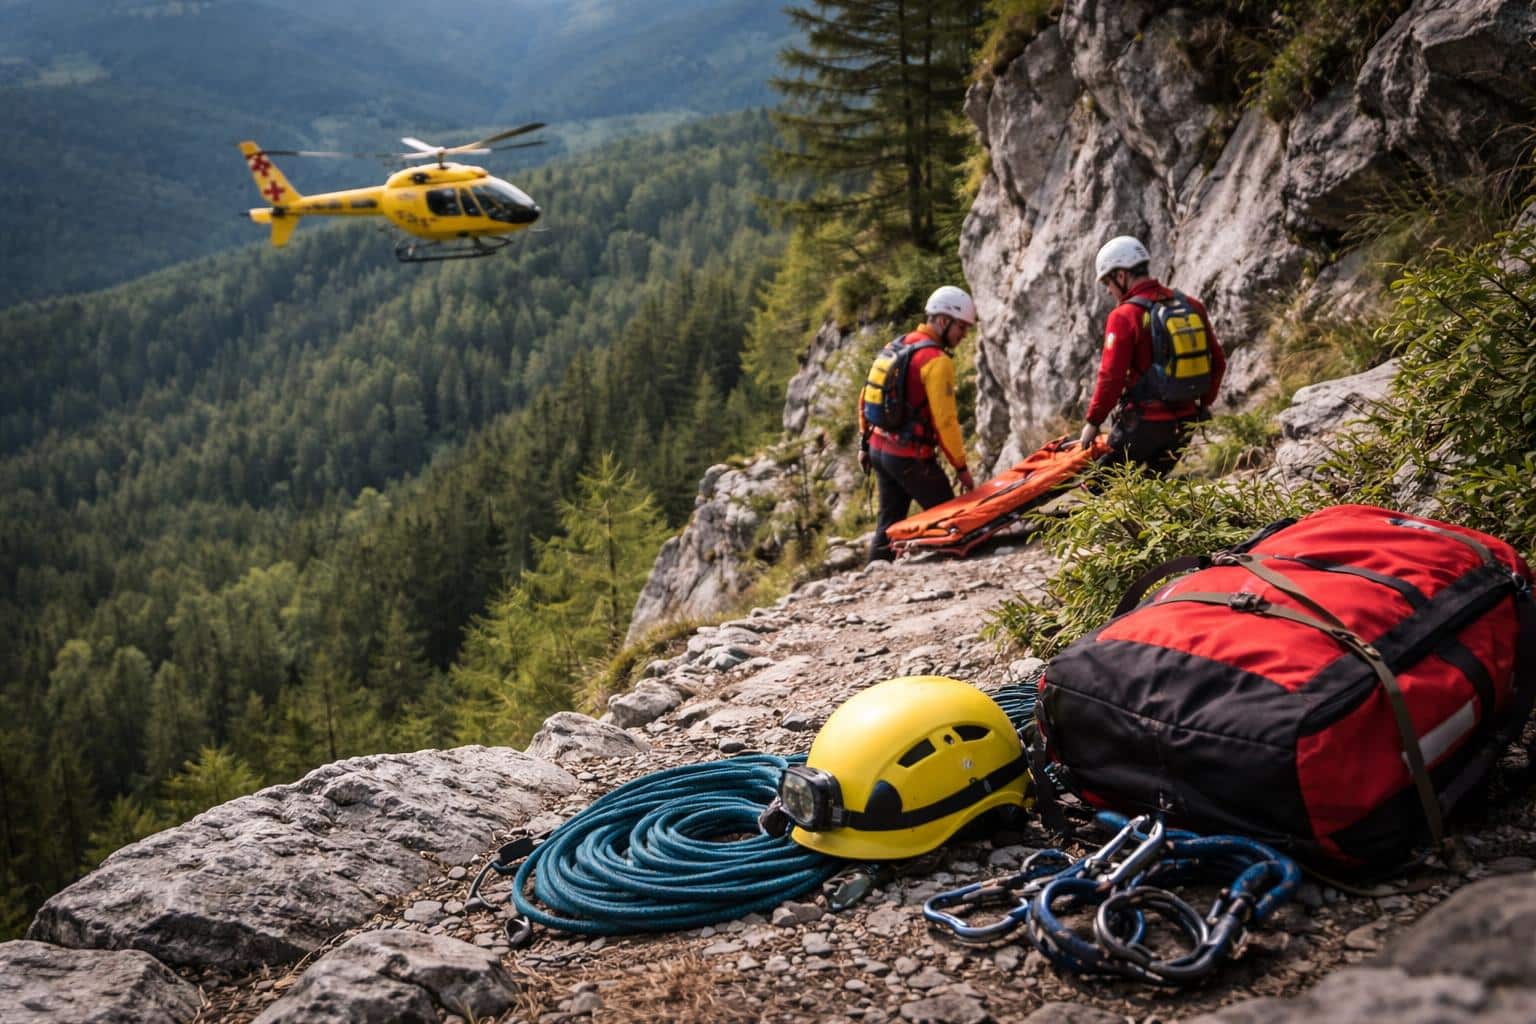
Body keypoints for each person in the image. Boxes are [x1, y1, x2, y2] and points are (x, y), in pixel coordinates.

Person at [1078, 236, 1226, 475]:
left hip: (1141, 425)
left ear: (1121, 276)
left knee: (1096, 487)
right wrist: (1201, 405)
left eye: (1108, 281)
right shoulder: (1192, 305)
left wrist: (1093, 422)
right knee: (1150, 488)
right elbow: (1217, 362)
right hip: (1184, 425)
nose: (1108, 289)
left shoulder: (1124, 316)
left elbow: (1110, 377)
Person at [860, 286, 977, 562]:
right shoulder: (936, 361)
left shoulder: (897, 346)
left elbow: (866, 394)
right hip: (909, 456)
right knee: (951, 519)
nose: (963, 335)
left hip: (880, 449)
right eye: (961, 327)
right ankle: (959, 571)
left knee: (888, 522)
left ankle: (875, 576)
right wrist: (961, 468)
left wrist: (863, 442)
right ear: (943, 320)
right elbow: (945, 422)